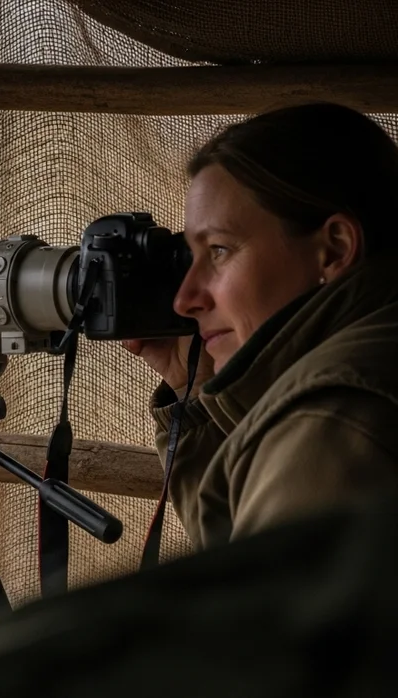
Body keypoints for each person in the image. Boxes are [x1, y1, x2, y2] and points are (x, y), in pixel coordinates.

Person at [122, 102, 398, 550]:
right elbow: (243, 575)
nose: (184, 300)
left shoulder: (330, 420)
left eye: (219, 251)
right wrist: (192, 393)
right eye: (189, 259)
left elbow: (255, 616)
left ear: (334, 249)